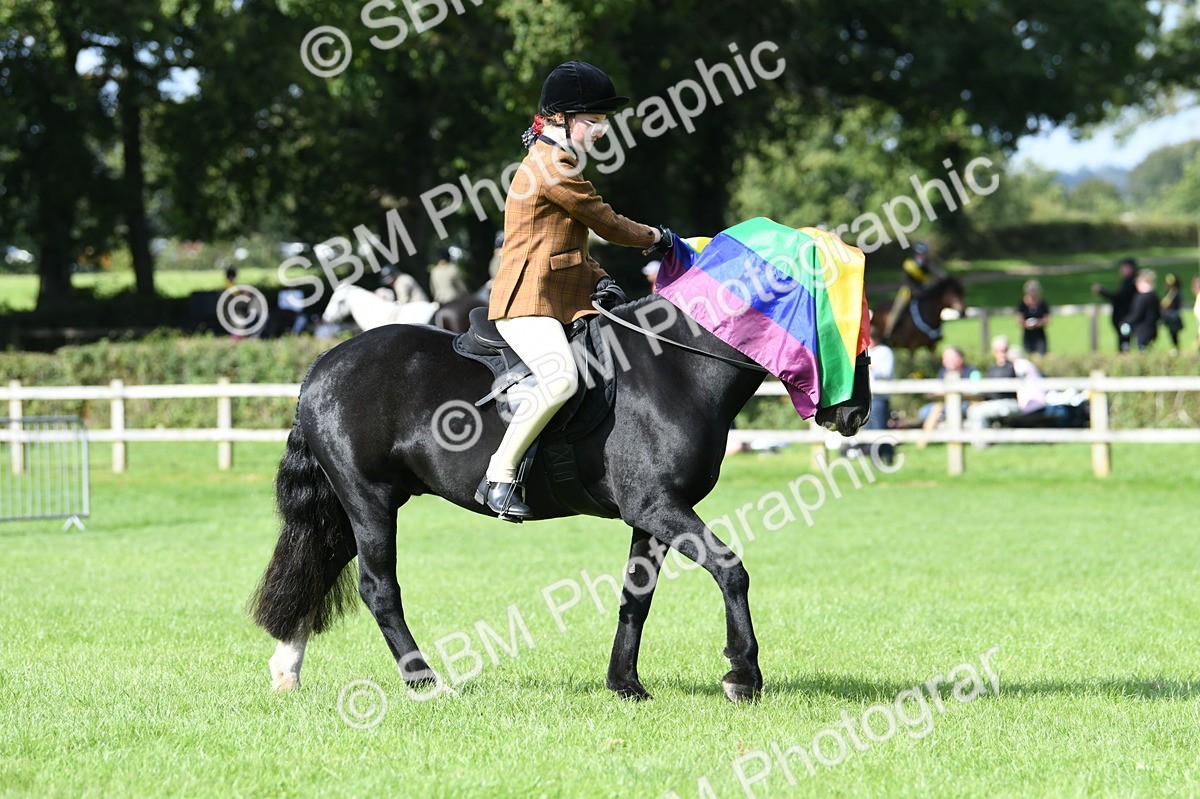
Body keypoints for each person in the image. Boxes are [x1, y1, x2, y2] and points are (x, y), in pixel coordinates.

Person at [480, 61, 669, 520]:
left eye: (604, 120)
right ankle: (499, 476)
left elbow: (567, 249)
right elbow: (604, 220)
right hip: (528, 299)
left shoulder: (556, 161)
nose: (602, 130)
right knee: (561, 377)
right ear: (561, 119)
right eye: (594, 121)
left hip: (558, 297)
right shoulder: (551, 166)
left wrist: (601, 279)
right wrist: (659, 239)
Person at [883, 241, 943, 341]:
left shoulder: (928, 263)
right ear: (916, 253)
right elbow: (907, 281)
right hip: (909, 291)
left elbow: (938, 273)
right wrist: (915, 290)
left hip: (925, 292)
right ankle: (889, 331)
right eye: (920, 253)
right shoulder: (909, 264)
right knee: (898, 308)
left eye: (924, 253)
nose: (922, 255)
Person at [864, 326, 895, 465]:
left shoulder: (884, 352)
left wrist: (869, 366)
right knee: (868, 429)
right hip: (865, 396)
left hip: (879, 397)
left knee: (880, 428)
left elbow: (885, 373)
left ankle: (887, 457)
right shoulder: (864, 352)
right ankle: (875, 460)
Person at [1093, 258, 1137, 352]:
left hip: (1126, 318)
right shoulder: (1128, 282)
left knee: (1125, 342)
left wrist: (1102, 291)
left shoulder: (1131, 283)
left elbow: (1118, 297)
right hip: (1123, 318)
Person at [1120, 269, 1160, 352]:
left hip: (1142, 330)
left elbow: (1137, 314)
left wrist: (1125, 321)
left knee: (1142, 351)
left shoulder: (1141, 298)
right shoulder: (1154, 296)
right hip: (1152, 329)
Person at [1016, 279, 1050, 355]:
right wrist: (1026, 324)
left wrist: (1038, 323)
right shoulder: (1022, 305)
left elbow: (1047, 318)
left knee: (1042, 354)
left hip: (1040, 334)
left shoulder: (1042, 304)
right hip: (1028, 335)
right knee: (1029, 354)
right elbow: (1019, 319)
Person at [1159, 273, 1183, 352]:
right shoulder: (1168, 293)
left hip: (1173, 317)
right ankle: (1174, 347)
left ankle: (1176, 348)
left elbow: (1176, 305)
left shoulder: (1176, 294)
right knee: (1170, 333)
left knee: (1174, 333)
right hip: (1168, 317)